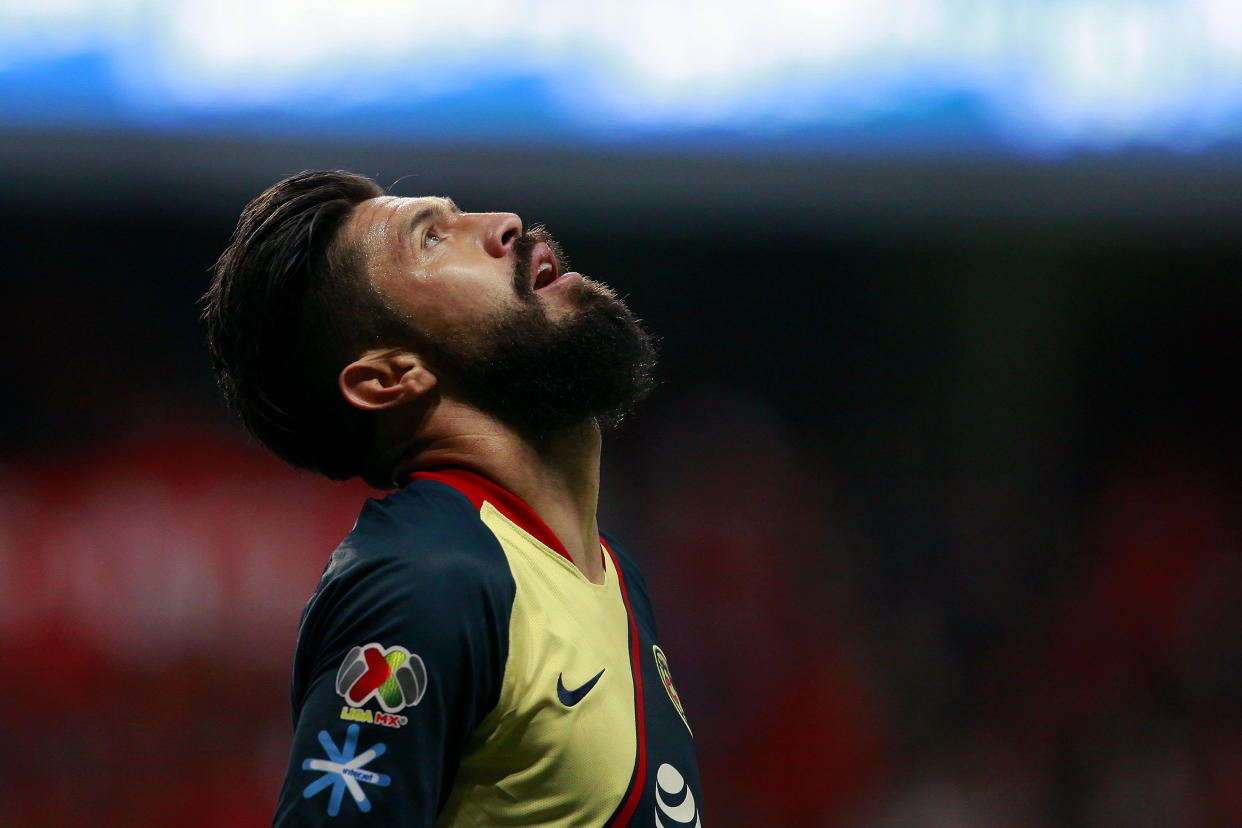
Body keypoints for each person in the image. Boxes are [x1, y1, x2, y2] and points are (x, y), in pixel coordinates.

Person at [203, 170, 702, 826]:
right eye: (433, 239)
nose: (505, 223)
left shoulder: (609, 573)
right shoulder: (426, 579)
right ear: (391, 378)